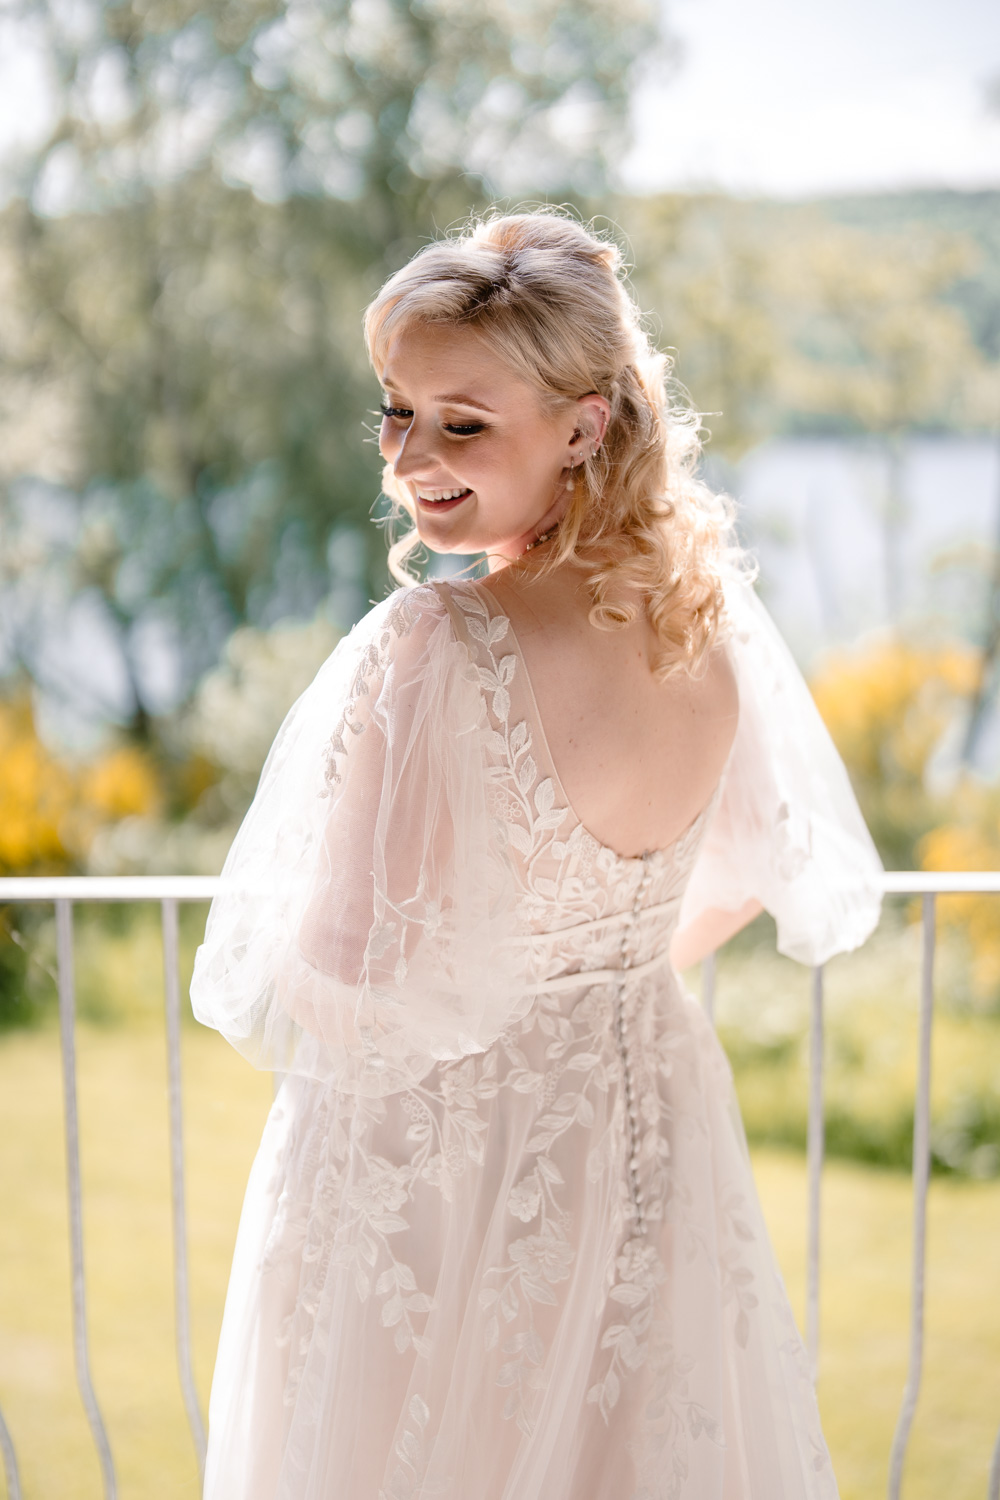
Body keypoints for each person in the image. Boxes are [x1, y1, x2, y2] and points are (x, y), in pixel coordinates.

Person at [190, 211, 882, 1499]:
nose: (409, 457)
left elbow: (347, 976)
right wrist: (589, 980)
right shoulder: (701, 618)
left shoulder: (436, 646)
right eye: (396, 410)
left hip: (432, 1178)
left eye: (463, 420)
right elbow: (740, 874)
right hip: (644, 1126)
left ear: (584, 422)